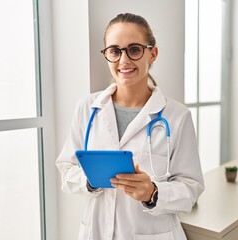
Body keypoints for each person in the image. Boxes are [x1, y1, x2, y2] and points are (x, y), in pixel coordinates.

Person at [56, 13, 204, 240]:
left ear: (152, 54)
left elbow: (191, 188)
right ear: (106, 55)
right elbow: (66, 167)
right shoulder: (87, 108)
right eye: (114, 51)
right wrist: (90, 179)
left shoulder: (177, 116)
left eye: (134, 49)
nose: (123, 61)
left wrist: (153, 193)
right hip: (95, 232)